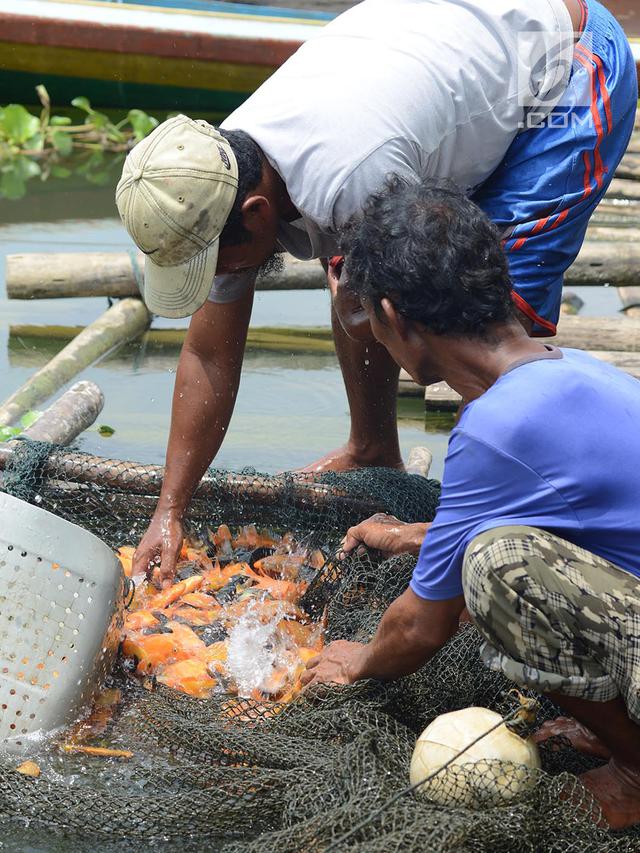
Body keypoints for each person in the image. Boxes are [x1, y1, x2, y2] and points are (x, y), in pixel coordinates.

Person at [115, 0, 637, 582]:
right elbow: (208, 354)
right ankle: (373, 448)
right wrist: (170, 510)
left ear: (258, 214)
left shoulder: (349, 174)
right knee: (360, 282)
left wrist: (445, 542)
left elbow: (457, 334)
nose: (217, 279)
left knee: (487, 319)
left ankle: (486, 519)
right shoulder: (215, 177)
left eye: (215, 266)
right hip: (455, 74)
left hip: (566, 72)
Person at [301, 176, 640, 830]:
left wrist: (360, 659)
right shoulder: (568, 372)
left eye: (372, 316)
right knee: (495, 549)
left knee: (495, 569)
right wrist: (409, 536)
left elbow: (424, 624)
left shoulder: (493, 428)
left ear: (395, 317)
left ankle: (635, 772)